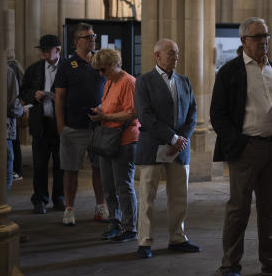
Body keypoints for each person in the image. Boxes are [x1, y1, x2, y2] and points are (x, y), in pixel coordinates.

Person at [211, 17, 272, 276]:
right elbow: (218, 114)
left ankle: (270, 259)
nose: (264, 41)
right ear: (243, 41)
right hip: (246, 149)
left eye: (266, 35)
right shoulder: (230, 72)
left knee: (270, 208)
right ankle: (230, 264)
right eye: (258, 36)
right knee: (238, 209)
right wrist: (238, 142)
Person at [133, 39, 199, 259]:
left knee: (180, 195)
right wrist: (172, 138)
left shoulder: (184, 80)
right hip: (153, 145)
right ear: (157, 56)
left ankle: (178, 238)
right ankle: (145, 241)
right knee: (147, 196)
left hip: (180, 149)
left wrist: (182, 139)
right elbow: (145, 116)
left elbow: (192, 113)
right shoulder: (144, 81)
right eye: (171, 53)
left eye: (177, 53)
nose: (176, 57)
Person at [54, 23, 107, 226]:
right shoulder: (67, 65)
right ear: (76, 41)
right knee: (70, 169)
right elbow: (59, 97)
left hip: (100, 126)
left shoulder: (100, 61)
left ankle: (101, 206)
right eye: (87, 37)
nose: (92, 39)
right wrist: (61, 126)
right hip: (74, 126)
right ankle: (69, 209)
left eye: (93, 35)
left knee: (99, 168)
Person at [90, 48, 140, 243]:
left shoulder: (129, 82)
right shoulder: (110, 81)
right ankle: (114, 222)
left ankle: (130, 228)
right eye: (98, 71)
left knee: (123, 185)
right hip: (108, 137)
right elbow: (108, 105)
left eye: (103, 70)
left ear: (113, 64)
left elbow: (132, 113)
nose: (101, 74)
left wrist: (106, 116)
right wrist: (99, 111)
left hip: (125, 139)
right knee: (108, 185)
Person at [21, 34, 65, 214]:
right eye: (42, 50)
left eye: (47, 50)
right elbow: (23, 92)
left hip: (61, 124)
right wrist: (34, 95)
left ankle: (59, 198)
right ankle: (39, 199)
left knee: (61, 165)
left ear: (58, 50)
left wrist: (60, 98)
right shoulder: (34, 69)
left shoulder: (67, 68)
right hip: (41, 124)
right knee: (39, 165)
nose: (44, 53)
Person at [6, 61, 24, 196]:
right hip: (3, 130)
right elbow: (13, 105)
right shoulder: (6, 71)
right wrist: (21, 110)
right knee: (6, 176)